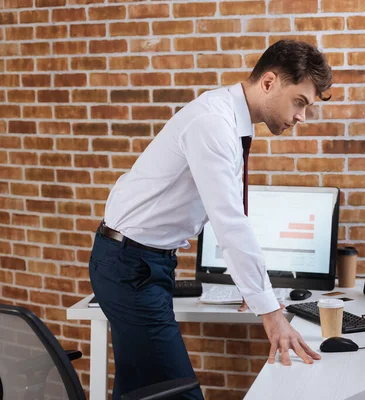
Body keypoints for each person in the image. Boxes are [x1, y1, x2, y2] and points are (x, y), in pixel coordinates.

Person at [88, 39, 333, 399]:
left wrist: (255, 289)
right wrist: (271, 312)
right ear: (268, 83)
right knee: (179, 393)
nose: (302, 117)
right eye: (300, 102)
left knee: (144, 390)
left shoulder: (230, 122)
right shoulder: (213, 124)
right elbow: (230, 223)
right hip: (130, 266)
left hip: (143, 262)